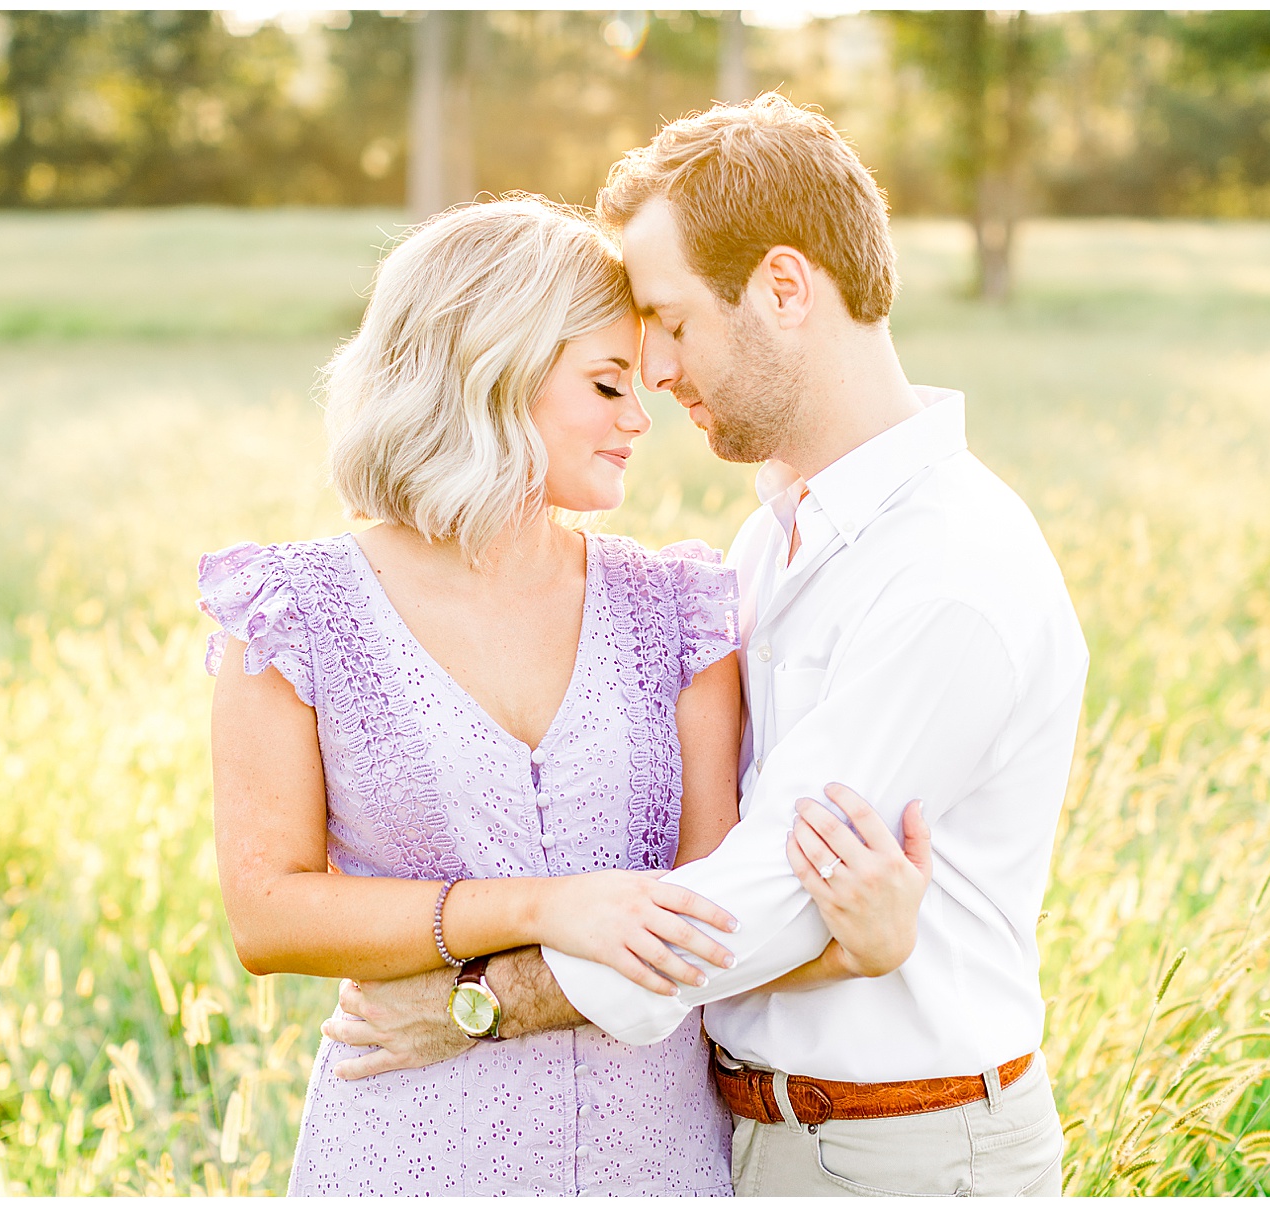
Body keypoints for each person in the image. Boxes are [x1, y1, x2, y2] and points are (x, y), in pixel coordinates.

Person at [327, 95, 1089, 1198]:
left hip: (904, 1152)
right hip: (751, 1133)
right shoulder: (778, 536)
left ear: (784, 288)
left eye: (672, 322)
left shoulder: (949, 574)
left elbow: (761, 894)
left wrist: (485, 1001)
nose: (660, 370)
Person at [199, 196, 921, 1196]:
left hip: (655, 1158)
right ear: (492, 367)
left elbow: (710, 909)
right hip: (406, 1154)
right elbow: (268, 914)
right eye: (607, 381)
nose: (642, 415)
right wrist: (545, 906)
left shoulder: (677, 608)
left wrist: (854, 951)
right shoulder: (292, 611)